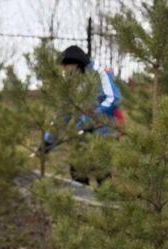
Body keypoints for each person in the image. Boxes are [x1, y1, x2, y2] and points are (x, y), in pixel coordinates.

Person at [42, 45, 123, 184]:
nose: (64, 71)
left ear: (75, 63)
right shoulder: (72, 82)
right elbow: (63, 113)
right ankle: (85, 202)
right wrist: (48, 141)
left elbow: (114, 98)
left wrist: (89, 119)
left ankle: (106, 203)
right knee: (77, 170)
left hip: (104, 131)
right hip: (83, 132)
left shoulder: (100, 73)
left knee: (101, 173)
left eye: (65, 66)